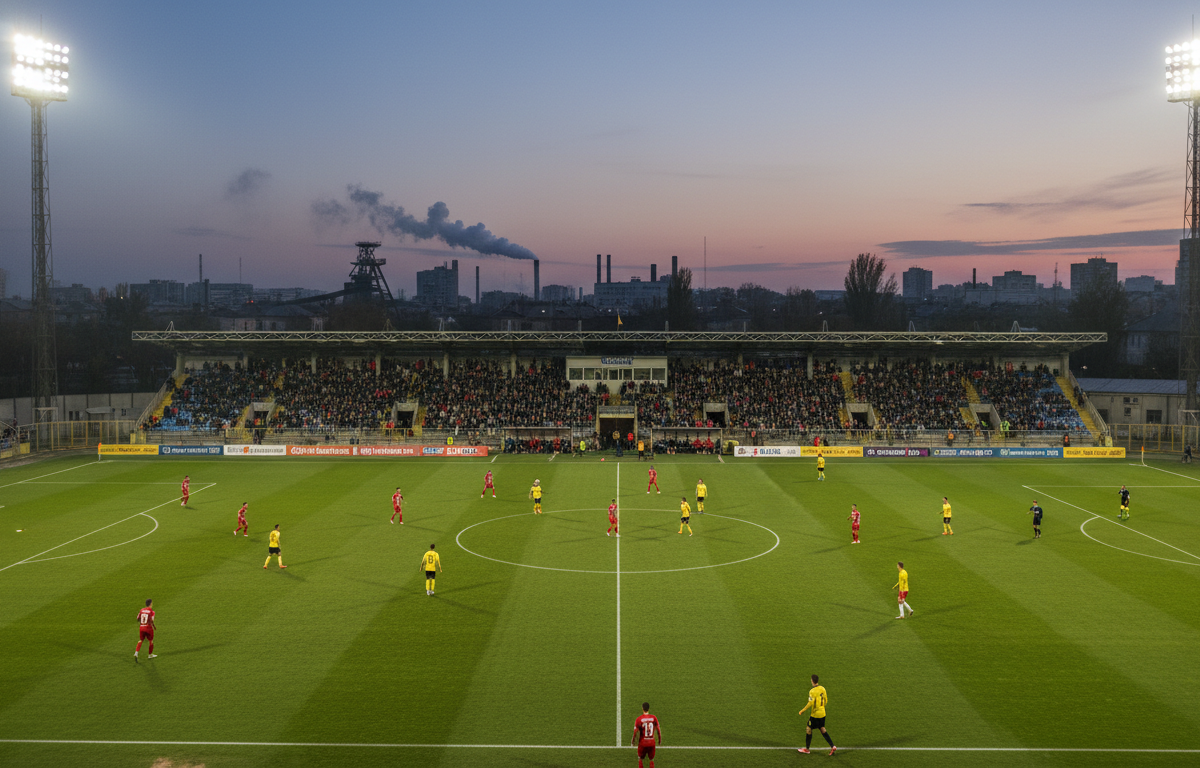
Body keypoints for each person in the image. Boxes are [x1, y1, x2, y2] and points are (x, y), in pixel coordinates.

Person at [797, 673, 835, 755]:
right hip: (823, 713)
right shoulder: (823, 688)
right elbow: (826, 700)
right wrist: (821, 707)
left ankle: (807, 749)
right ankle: (833, 746)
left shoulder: (812, 691)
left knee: (808, 728)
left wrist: (802, 710)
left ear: (812, 681)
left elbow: (810, 703)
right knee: (822, 728)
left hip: (815, 715)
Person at [631, 702, 662, 768]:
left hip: (643, 743)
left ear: (642, 708)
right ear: (648, 708)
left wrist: (633, 741)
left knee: (640, 758)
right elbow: (658, 730)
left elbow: (635, 732)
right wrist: (659, 740)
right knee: (651, 759)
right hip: (652, 742)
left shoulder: (639, 719)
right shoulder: (654, 718)